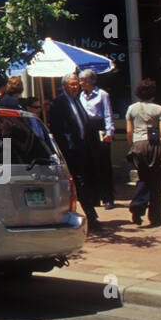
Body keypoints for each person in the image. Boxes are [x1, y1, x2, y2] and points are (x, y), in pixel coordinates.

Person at [48, 74, 101, 226]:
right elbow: (58, 129)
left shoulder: (77, 100)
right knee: (79, 182)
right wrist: (68, 147)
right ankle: (91, 216)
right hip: (70, 151)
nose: (75, 87)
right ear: (64, 86)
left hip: (83, 148)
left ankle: (89, 214)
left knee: (84, 181)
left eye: (76, 84)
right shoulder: (58, 103)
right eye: (71, 84)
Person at [125, 79, 161, 227]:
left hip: (138, 144)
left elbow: (129, 131)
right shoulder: (159, 109)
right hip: (154, 145)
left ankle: (138, 207)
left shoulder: (131, 109)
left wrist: (133, 145)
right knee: (157, 180)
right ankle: (155, 216)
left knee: (143, 177)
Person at [78, 69, 116, 210]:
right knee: (89, 163)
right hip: (86, 129)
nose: (80, 83)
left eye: (82, 81)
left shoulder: (102, 94)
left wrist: (109, 132)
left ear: (89, 82)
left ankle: (108, 198)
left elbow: (108, 114)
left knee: (103, 163)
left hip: (99, 127)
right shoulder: (80, 95)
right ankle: (93, 197)